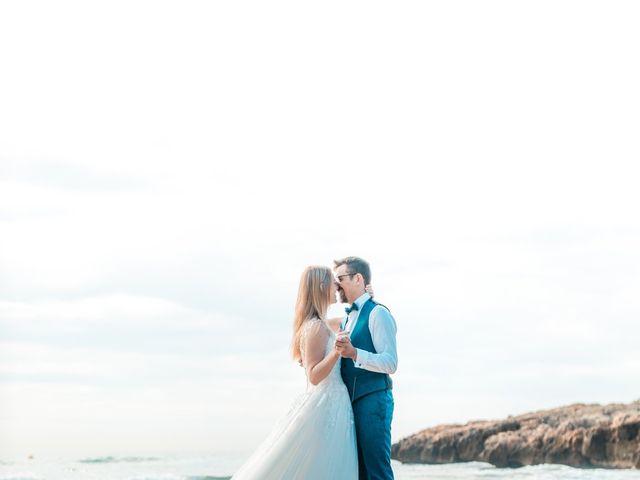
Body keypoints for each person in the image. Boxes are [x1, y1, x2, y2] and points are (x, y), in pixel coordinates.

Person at [231, 265, 358, 480]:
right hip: (326, 405)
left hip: (335, 404)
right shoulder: (315, 327)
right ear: (321, 286)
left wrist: (363, 299)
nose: (337, 286)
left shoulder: (320, 324)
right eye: (333, 281)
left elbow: (349, 319)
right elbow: (314, 376)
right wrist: (337, 353)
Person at [334, 256, 398, 480]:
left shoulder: (378, 313)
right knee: (359, 473)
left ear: (358, 278)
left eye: (340, 278)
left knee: (377, 471)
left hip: (374, 400)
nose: (336, 285)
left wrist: (354, 353)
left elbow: (390, 362)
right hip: (350, 404)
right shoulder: (346, 319)